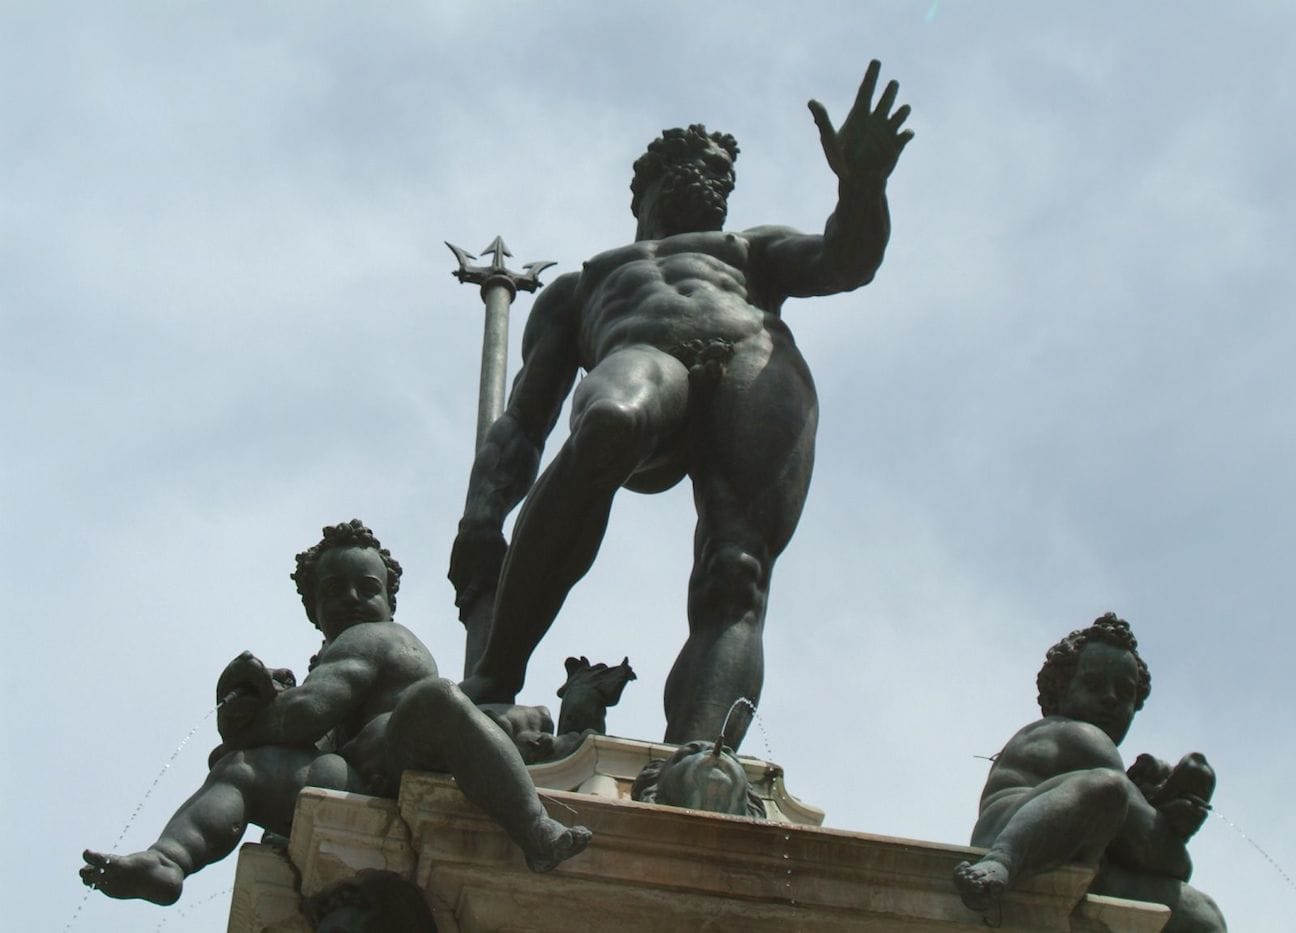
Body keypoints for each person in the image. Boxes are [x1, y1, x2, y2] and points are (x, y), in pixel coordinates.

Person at [450, 60, 914, 749]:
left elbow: (847, 261)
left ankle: (698, 757)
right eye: (703, 166)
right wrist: (483, 517)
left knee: (737, 568)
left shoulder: (750, 249)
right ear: (654, 181)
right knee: (609, 421)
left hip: (753, 357)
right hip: (642, 353)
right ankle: (494, 678)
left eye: (727, 174)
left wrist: (861, 186)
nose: (718, 180)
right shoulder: (582, 287)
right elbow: (523, 425)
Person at [81, 520, 589, 906]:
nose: (351, 599)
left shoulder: (377, 639)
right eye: (333, 591)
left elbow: (306, 714)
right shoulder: (325, 660)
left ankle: (534, 827)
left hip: (410, 752)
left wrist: (252, 724)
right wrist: (246, 735)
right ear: (312, 608)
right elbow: (301, 737)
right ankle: (169, 860)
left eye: (366, 588)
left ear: (391, 599)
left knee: (437, 699)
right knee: (241, 772)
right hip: (358, 777)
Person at [953, 613, 1225, 932]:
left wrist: (1159, 809)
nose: (1110, 698)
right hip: (1018, 839)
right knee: (1108, 787)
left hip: (1078, 860)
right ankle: (1000, 861)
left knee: (1202, 916)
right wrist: (1171, 827)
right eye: (1094, 684)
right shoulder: (1079, 736)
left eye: (1125, 693)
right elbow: (1165, 858)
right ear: (1059, 691)